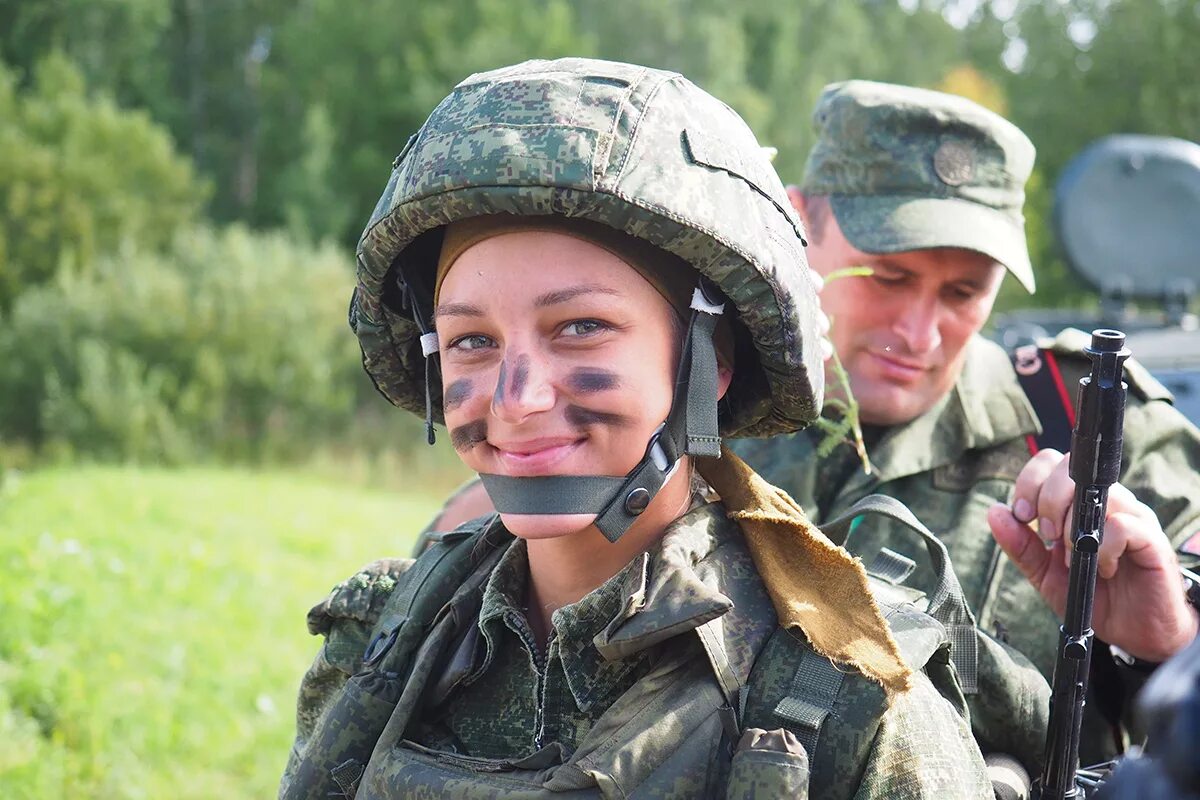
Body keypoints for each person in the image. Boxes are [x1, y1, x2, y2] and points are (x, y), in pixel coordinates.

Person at [278, 59, 995, 799]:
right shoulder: (387, 640)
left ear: (709, 362)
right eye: (472, 341)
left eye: (581, 328)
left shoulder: (851, 699)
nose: (517, 398)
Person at [729, 80, 1200, 763]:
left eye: (963, 292)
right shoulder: (706, 410)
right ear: (799, 226)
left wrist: (1170, 637)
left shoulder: (1085, 427)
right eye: (887, 277)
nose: (919, 333)